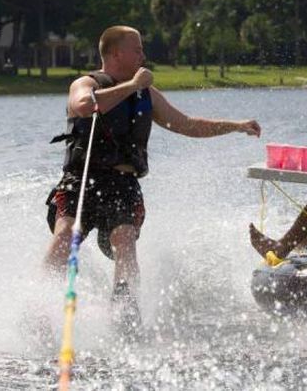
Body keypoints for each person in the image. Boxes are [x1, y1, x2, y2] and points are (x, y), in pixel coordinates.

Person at [44, 25, 261, 330]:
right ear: (116, 53)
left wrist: (236, 125)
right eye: (138, 49)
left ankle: (125, 311)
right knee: (67, 233)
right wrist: (132, 86)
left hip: (122, 183)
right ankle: (40, 308)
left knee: (124, 237)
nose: (144, 55)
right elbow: (85, 107)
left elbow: (187, 124)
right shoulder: (86, 83)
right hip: (82, 180)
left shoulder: (147, 93)